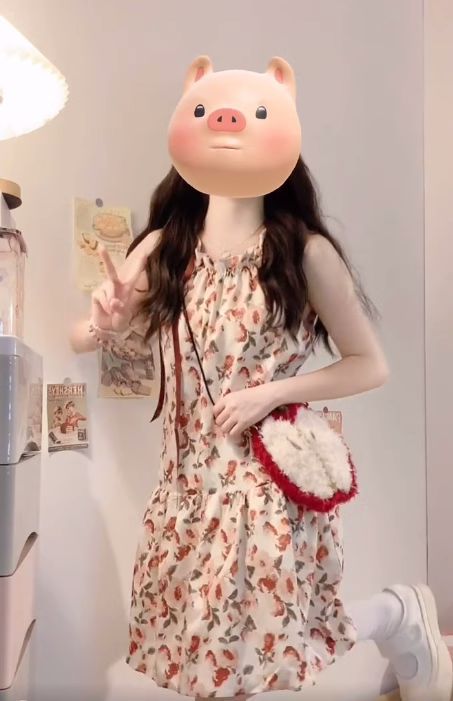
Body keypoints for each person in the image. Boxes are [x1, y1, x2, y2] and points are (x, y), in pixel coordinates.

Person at [70, 56, 452, 701]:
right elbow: (83, 337)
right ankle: (397, 613)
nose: (227, 124)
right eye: (208, 111)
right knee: (204, 649)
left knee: (253, 654)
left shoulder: (305, 253)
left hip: (262, 483)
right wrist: (104, 321)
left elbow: (370, 364)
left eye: (256, 114)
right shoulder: (164, 247)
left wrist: (271, 392)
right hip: (185, 484)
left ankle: (397, 614)